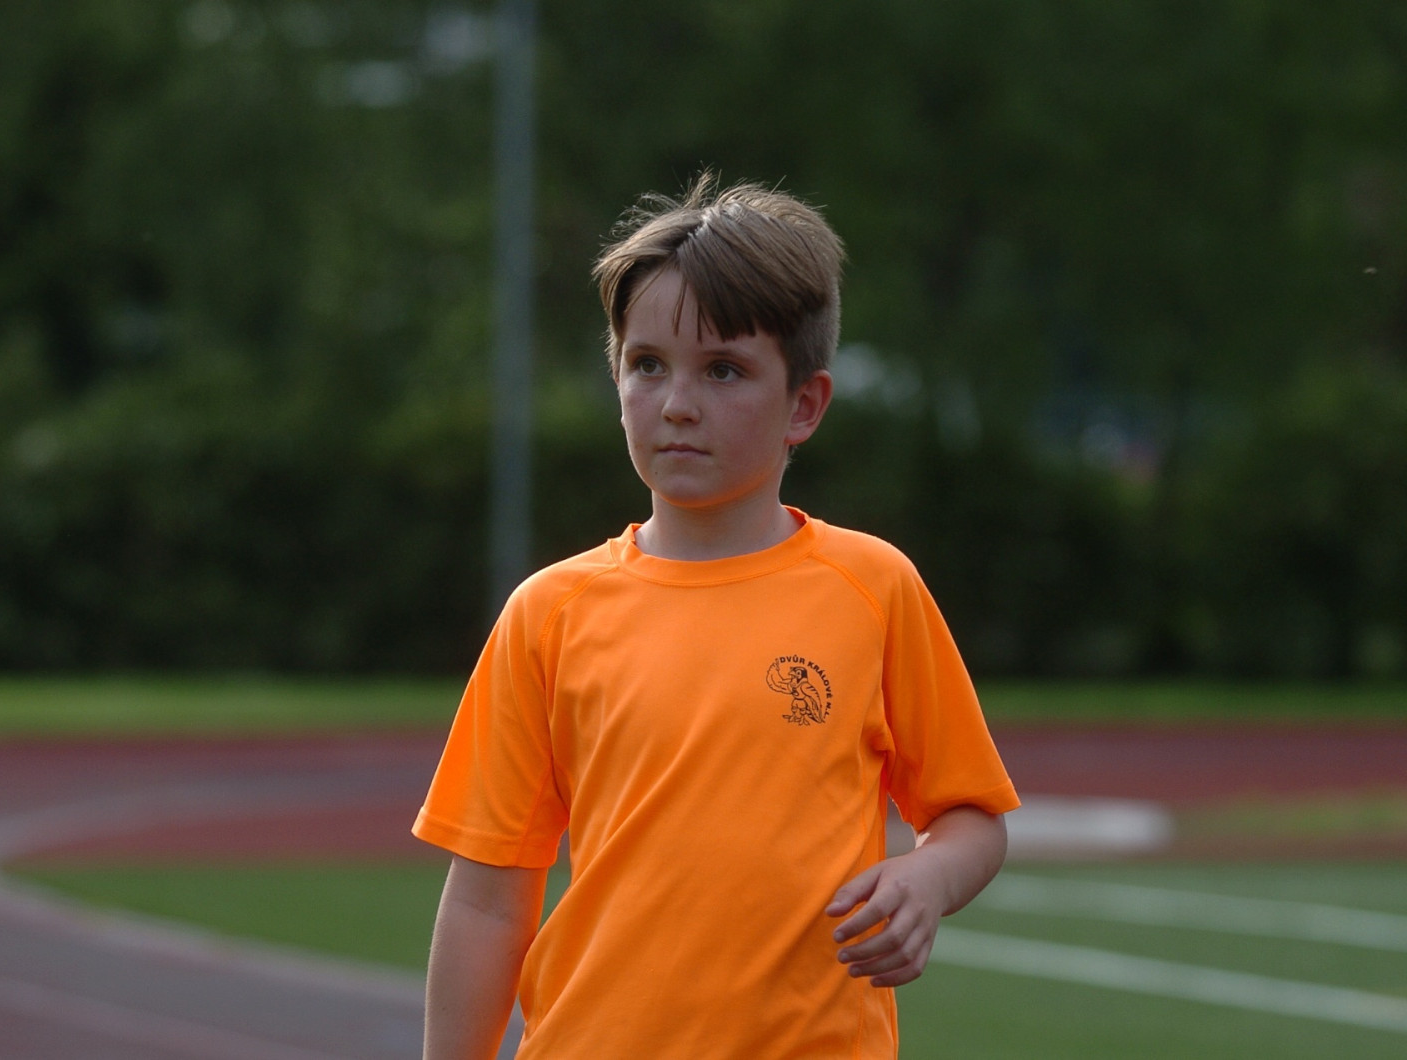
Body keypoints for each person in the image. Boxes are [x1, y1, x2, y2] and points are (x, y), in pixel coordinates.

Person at [414, 174, 1020, 1060]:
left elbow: (972, 817)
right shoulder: (549, 614)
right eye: (647, 365)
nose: (677, 403)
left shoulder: (872, 588)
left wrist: (928, 880)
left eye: (723, 370)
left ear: (804, 405)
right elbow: (486, 901)